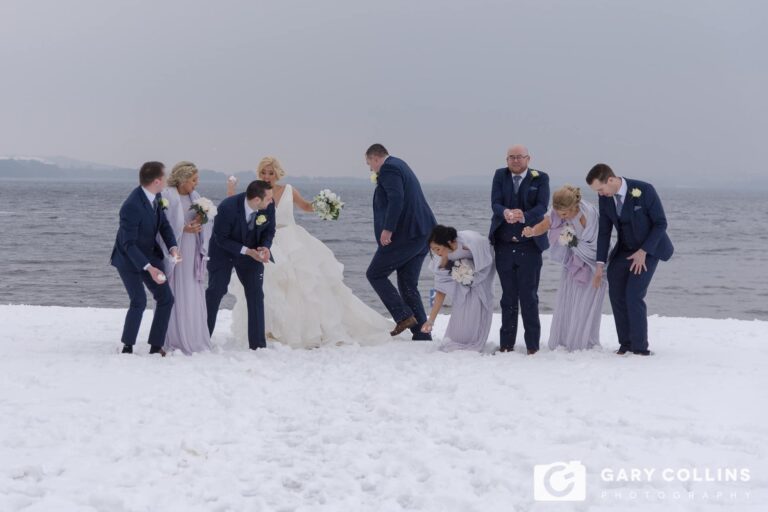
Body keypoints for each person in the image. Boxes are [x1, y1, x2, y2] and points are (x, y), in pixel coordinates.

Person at [227, 157, 391, 348]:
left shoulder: (288, 190)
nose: (267, 176)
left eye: (271, 173)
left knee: (302, 286)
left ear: (277, 174)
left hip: (292, 240)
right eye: (264, 172)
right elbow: (240, 210)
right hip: (266, 243)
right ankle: (268, 329)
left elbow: (305, 206)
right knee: (269, 288)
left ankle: (306, 330)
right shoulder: (254, 192)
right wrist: (231, 189)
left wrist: (325, 204)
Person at [586, 163, 674, 356]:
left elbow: (661, 223)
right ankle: (625, 344)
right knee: (616, 294)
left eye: (600, 189)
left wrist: (644, 251)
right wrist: (600, 264)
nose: (600, 194)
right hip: (624, 250)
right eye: (596, 191)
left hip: (649, 250)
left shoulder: (644, 189)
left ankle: (640, 348)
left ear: (611, 180)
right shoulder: (605, 198)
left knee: (633, 295)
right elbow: (604, 232)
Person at [365, 144, 437, 340]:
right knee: (407, 283)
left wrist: (388, 229)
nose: (370, 169)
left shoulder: (389, 168)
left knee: (375, 274)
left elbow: (397, 198)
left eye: (369, 163)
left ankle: (403, 315)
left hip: (407, 235)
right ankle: (422, 335)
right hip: (423, 233)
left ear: (375, 158)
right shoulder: (400, 164)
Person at [523, 186, 607, 351]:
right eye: (558, 212)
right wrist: (532, 231)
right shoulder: (557, 211)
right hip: (573, 260)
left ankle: (582, 340)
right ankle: (566, 338)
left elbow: (599, 243)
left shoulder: (586, 215)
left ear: (573, 207)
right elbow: (547, 223)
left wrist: (599, 270)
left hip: (594, 261)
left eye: (564, 214)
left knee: (586, 301)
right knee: (569, 299)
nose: (560, 217)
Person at [110, 161, 179, 356]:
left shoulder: (156, 196)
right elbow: (128, 244)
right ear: (157, 181)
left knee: (166, 298)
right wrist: (149, 267)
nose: (166, 180)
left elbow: (164, 225)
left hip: (149, 252)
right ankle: (127, 346)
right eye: (164, 177)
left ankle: (156, 345)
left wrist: (173, 247)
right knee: (138, 300)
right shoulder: (131, 206)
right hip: (128, 258)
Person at [489, 145, 549, 354]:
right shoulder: (500, 175)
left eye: (519, 157)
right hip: (504, 244)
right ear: (507, 160)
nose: (515, 161)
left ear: (528, 159)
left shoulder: (540, 178)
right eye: (511, 157)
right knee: (508, 297)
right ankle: (506, 344)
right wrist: (504, 211)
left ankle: (532, 345)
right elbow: (495, 202)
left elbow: (542, 206)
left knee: (529, 296)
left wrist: (524, 216)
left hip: (530, 246)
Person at [206, 180, 275, 350]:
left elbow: (270, 230)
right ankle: (203, 337)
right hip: (223, 252)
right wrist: (246, 250)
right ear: (257, 200)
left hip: (252, 254)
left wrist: (265, 247)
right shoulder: (227, 207)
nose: (271, 202)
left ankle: (258, 345)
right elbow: (220, 238)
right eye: (268, 199)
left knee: (256, 294)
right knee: (216, 291)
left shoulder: (269, 207)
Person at [159, 161, 213, 355]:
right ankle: (174, 336)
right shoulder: (166, 196)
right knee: (176, 289)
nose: (196, 184)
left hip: (193, 249)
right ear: (182, 179)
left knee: (192, 290)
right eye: (193, 180)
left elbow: (207, 223)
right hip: (176, 249)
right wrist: (184, 229)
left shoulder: (195, 197)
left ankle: (193, 335)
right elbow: (161, 225)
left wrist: (201, 222)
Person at [421, 226, 494, 352]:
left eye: (437, 248)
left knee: (478, 304)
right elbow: (440, 291)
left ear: (448, 242)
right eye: (433, 250)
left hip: (483, 268)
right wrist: (430, 321)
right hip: (462, 275)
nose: (436, 253)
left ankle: (476, 338)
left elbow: (487, 252)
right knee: (462, 305)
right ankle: (459, 338)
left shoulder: (468, 242)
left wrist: (472, 270)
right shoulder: (441, 258)